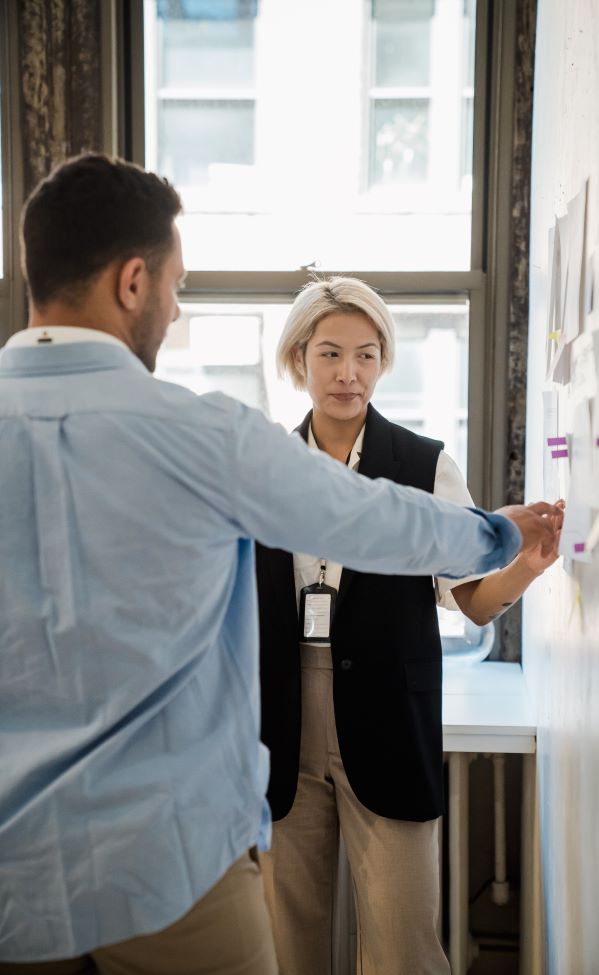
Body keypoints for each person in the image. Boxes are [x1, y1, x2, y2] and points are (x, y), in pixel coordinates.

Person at [0, 154, 560, 975]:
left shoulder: (393, 452)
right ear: (132, 282)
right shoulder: (204, 437)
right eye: (173, 286)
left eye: (365, 354)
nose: (175, 307)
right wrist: (497, 534)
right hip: (171, 867)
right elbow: (375, 520)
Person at [255, 277, 564, 975]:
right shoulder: (265, 464)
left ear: (383, 362)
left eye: (366, 355)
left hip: (388, 713)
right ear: (299, 358)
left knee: (404, 947)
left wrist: (525, 566)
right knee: (285, 945)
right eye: (330, 353)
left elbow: (471, 599)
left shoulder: (424, 463)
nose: (348, 373)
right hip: (279, 714)